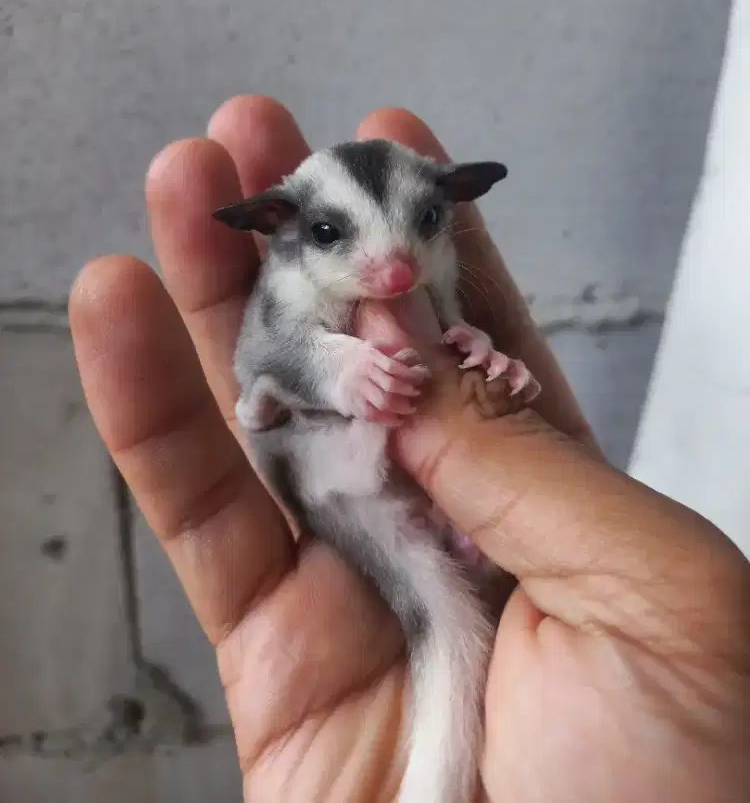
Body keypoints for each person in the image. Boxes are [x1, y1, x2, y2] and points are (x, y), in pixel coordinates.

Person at [69, 96, 750, 802]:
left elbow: (451, 328)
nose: (396, 272)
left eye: (424, 223)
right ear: (283, 226)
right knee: (430, 603)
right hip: (335, 477)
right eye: (335, 234)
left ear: (448, 205)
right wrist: (340, 369)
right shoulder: (288, 288)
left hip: (410, 485)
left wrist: (477, 350)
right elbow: (276, 356)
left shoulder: (432, 270)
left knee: (447, 626)